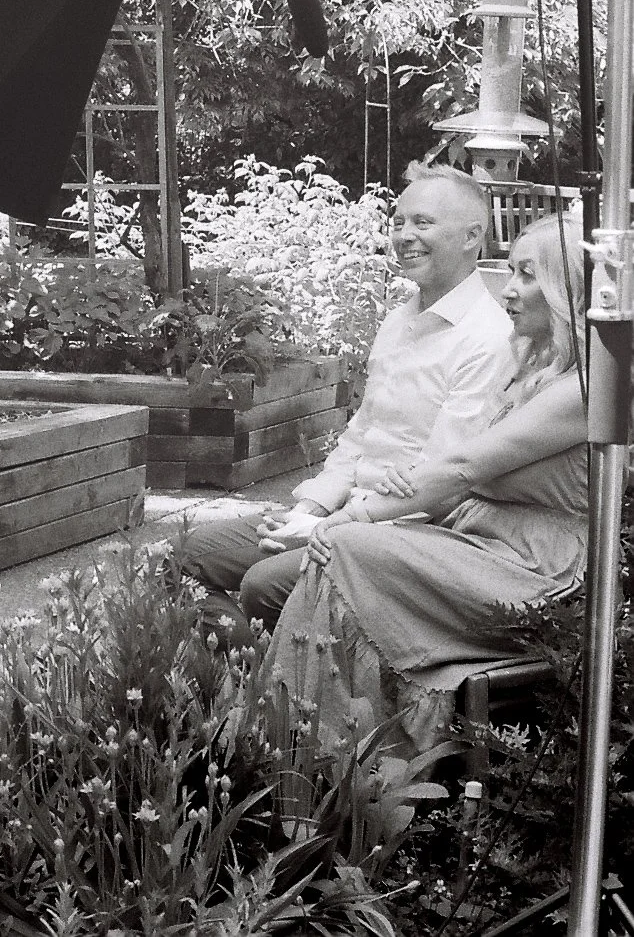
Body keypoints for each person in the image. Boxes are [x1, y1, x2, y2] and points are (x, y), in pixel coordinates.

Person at [265, 213, 589, 754]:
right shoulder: (532, 372)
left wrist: (350, 513)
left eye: (528, 275)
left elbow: (464, 468)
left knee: (344, 548)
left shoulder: (582, 389)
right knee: (338, 555)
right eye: (510, 271)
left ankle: (320, 758)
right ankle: (320, 757)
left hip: (538, 572)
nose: (508, 289)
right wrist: (404, 484)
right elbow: (458, 475)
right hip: (481, 544)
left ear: (567, 290)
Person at [180, 163, 514, 633]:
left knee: (263, 584)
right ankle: (252, 672)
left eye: (423, 223)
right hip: (344, 510)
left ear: (471, 235)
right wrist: (309, 509)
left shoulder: (488, 339)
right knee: (191, 552)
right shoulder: (400, 320)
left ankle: (274, 684)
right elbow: (362, 434)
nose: (404, 236)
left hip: (402, 532)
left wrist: (332, 527)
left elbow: (443, 483)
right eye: (398, 223)